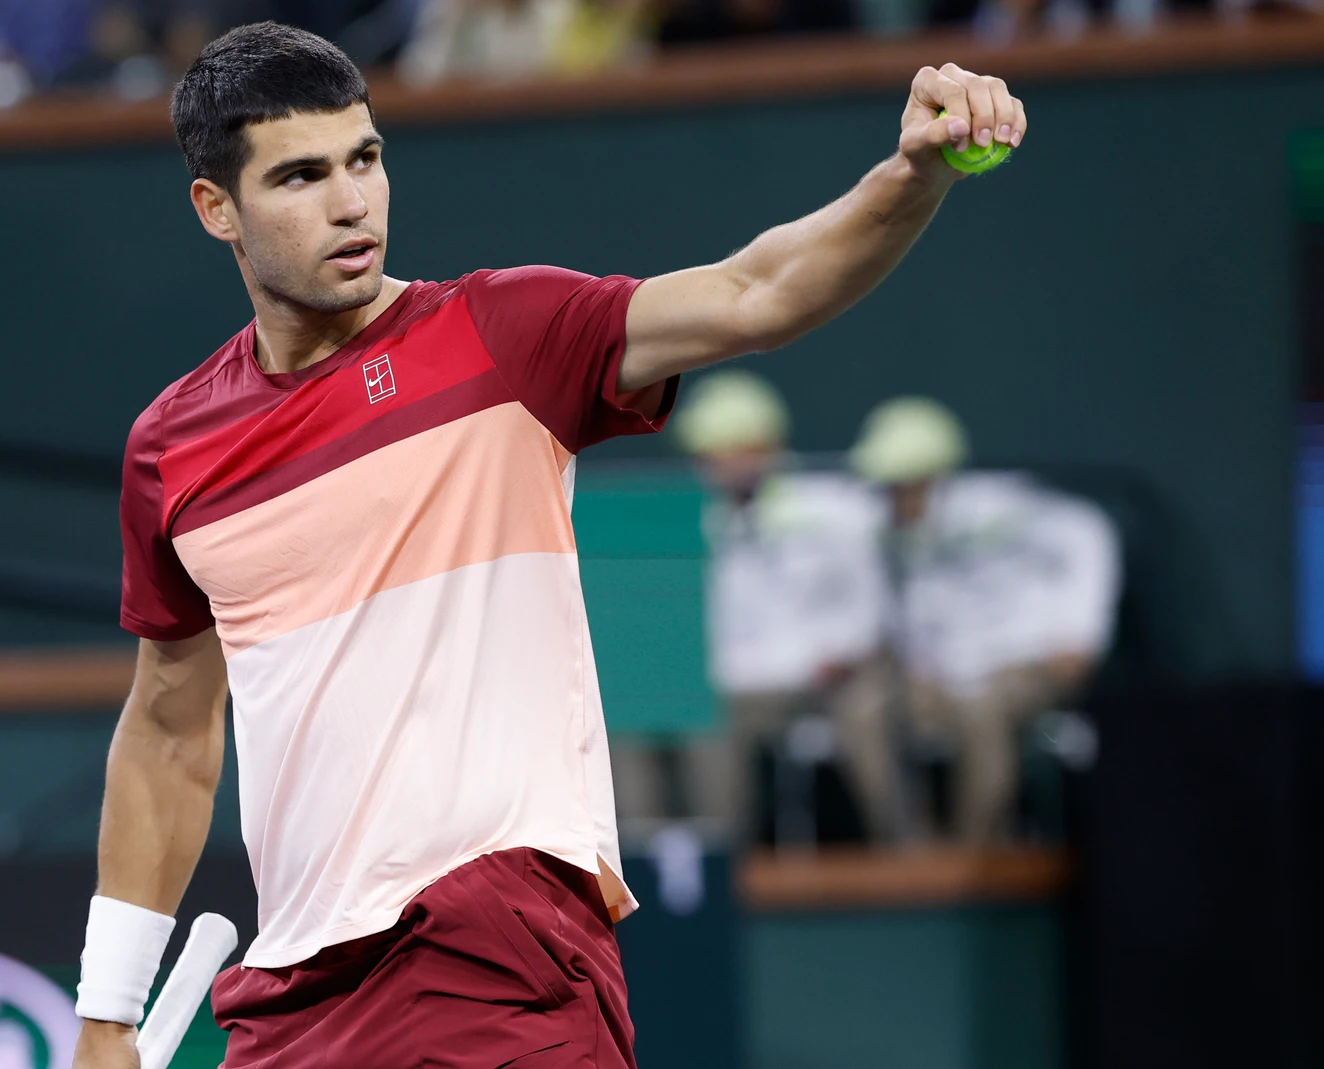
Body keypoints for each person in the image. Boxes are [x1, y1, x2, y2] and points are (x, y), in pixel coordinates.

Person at [75, 23, 1026, 1069]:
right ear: (219, 209)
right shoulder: (174, 447)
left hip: (501, 945)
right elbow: (168, 730)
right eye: (300, 177)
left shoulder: (503, 334)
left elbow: (762, 292)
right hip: (295, 994)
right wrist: (106, 1012)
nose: (351, 203)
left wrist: (911, 174)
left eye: (366, 159)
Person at [850, 397, 1119, 845]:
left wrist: (1082, 634)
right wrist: (911, 654)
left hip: (1022, 663)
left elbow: (1086, 532)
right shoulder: (888, 531)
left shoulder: (1003, 506)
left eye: (898, 485)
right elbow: (906, 607)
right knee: (864, 710)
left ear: (930, 477)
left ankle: (977, 858)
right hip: (944, 673)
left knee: (983, 709)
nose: (890, 497)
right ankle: (909, 853)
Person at [664, 371, 902, 845]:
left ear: (764, 447)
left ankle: (907, 855)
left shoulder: (836, 510)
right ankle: (725, 871)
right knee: (701, 721)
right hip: (746, 687)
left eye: (727, 453)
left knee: (869, 709)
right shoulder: (700, 521)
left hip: (837, 676)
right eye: (707, 456)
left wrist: (843, 652)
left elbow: (871, 600)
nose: (715, 467)